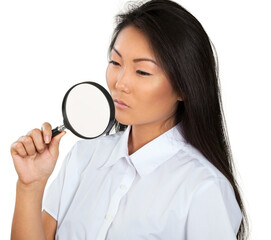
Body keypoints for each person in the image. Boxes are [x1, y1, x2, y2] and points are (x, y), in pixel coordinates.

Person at [10, 0, 249, 239]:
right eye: (115, 63)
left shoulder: (204, 188)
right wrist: (30, 186)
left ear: (184, 88)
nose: (120, 83)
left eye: (143, 71)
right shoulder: (84, 157)